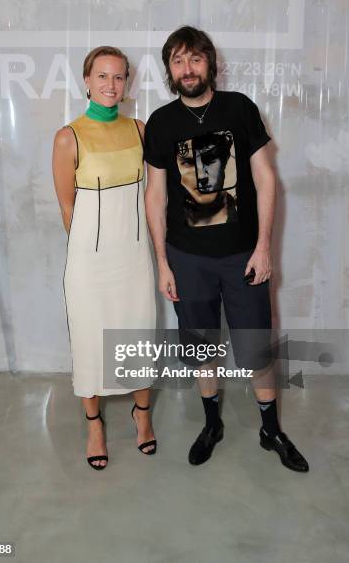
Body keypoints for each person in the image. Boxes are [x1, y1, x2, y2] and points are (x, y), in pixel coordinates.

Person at [144, 26, 309, 472]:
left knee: (256, 349)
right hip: (187, 258)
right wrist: (162, 262)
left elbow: (266, 178)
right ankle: (212, 424)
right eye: (178, 61)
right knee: (202, 349)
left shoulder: (239, 108)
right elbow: (155, 195)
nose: (188, 69)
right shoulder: (161, 122)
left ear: (210, 64)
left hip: (242, 257)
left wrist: (263, 248)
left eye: (195, 59)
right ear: (169, 70)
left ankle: (271, 429)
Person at [52, 46, 157, 470]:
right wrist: (89, 253)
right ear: (87, 81)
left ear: (127, 83)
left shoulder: (141, 129)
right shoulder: (68, 136)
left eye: (118, 77)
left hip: (134, 257)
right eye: (102, 76)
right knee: (90, 341)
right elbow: (65, 206)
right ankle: (94, 425)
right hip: (89, 263)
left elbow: (155, 193)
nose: (110, 85)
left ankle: (142, 417)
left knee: (138, 336)